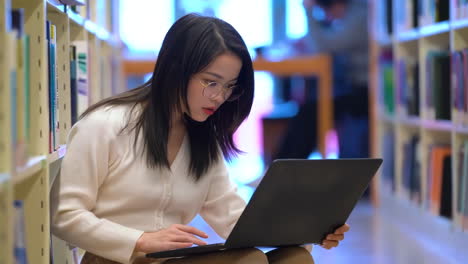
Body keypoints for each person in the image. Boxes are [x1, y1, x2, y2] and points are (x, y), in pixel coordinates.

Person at [50, 13, 350, 264]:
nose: (220, 97)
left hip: (168, 261)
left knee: (295, 257)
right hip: (111, 261)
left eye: (230, 86)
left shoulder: (201, 138)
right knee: (250, 261)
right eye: (211, 82)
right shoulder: (105, 125)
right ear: (176, 69)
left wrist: (309, 231)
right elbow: (64, 215)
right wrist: (140, 239)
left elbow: (235, 217)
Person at [274, 0, 369, 160]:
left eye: (325, 12)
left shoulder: (360, 15)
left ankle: (281, 168)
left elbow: (322, 47)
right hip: (352, 88)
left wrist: (308, 12)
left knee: (310, 112)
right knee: (309, 110)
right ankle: (280, 167)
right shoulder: (354, 15)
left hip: (365, 91)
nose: (328, 17)